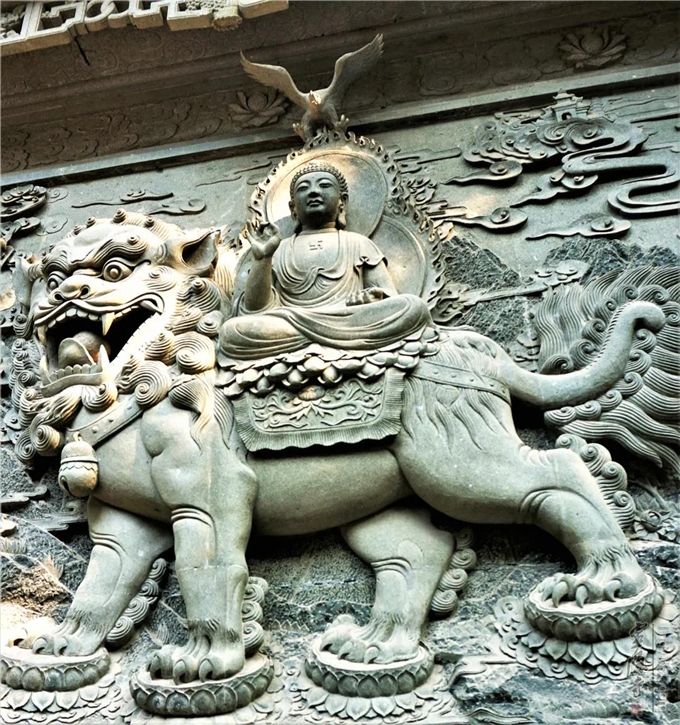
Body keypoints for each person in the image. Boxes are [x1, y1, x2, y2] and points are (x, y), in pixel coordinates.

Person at [220, 162, 431, 360]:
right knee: (232, 331)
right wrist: (263, 258)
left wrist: (370, 298)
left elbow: (386, 296)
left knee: (412, 307)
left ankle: (310, 342)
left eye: (324, 185)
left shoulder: (358, 243)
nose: (313, 192)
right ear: (293, 208)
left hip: (349, 318)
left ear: (342, 203)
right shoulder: (279, 249)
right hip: (291, 322)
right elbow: (256, 309)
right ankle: (335, 341)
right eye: (303, 188)